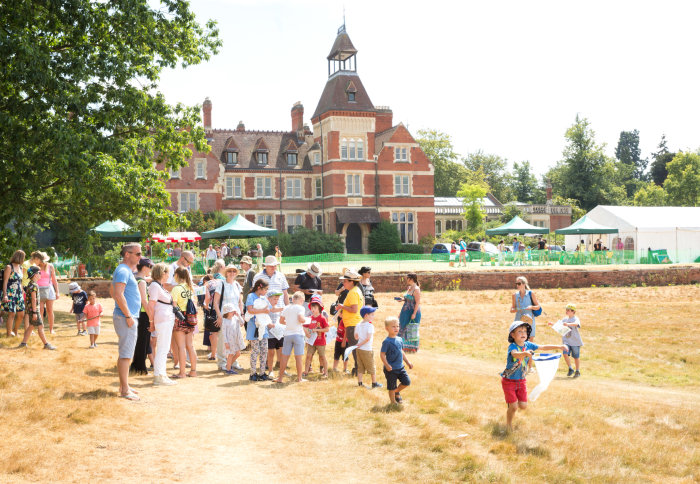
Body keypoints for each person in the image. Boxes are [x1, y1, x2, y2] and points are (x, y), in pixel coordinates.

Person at [501, 320, 566, 432]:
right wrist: (524, 354)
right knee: (514, 407)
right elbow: (515, 354)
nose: (523, 333)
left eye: (525, 331)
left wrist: (559, 346)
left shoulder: (528, 345)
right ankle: (508, 424)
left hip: (521, 381)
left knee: (523, 406)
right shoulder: (512, 346)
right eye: (519, 331)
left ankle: (512, 406)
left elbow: (542, 347)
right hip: (509, 381)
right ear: (513, 335)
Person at [111, 243, 142, 400]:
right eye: (137, 254)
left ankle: (125, 385)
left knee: (125, 353)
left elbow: (113, 292)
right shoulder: (123, 270)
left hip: (125, 316)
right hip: (126, 317)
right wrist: (128, 316)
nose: (140, 257)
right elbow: (118, 293)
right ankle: (124, 391)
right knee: (126, 355)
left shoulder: (123, 270)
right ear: (127, 254)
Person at [147, 263, 176, 386]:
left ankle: (162, 374)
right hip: (162, 320)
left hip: (166, 319)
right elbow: (151, 305)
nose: (168, 275)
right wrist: (151, 322)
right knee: (163, 348)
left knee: (164, 348)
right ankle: (159, 376)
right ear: (162, 273)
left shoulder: (159, 286)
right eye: (167, 272)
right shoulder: (154, 286)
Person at [214, 264, 245, 370]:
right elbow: (216, 302)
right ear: (226, 272)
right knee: (223, 340)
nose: (232, 273)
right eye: (230, 271)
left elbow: (240, 302)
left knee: (235, 339)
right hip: (225, 317)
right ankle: (222, 363)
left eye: (234, 271)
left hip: (235, 317)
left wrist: (242, 314)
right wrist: (219, 316)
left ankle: (233, 362)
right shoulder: (221, 284)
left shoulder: (237, 285)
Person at [18, 265, 56, 350]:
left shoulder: (31, 284)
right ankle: (46, 344)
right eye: (39, 273)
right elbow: (34, 299)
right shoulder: (34, 286)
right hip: (34, 310)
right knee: (40, 326)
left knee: (31, 326)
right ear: (35, 275)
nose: (40, 274)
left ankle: (23, 343)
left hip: (31, 310)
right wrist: (35, 312)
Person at [335, 268, 364, 374]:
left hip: (352, 325)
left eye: (345, 281)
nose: (343, 283)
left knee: (355, 349)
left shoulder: (352, 293)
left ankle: (358, 369)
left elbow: (354, 309)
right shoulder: (357, 291)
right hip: (355, 323)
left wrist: (342, 306)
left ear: (352, 282)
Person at [171, 267, 198, 378]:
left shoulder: (176, 289)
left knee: (181, 346)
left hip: (180, 317)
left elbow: (174, 305)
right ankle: (193, 371)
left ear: (177, 275)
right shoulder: (190, 287)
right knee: (190, 346)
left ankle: (182, 373)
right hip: (190, 318)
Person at [275, 291, 307, 383]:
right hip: (298, 334)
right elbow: (301, 319)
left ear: (293, 299)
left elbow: (281, 321)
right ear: (301, 300)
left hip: (287, 334)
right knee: (298, 358)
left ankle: (280, 378)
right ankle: (299, 378)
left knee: (284, 357)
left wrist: (289, 323)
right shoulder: (300, 308)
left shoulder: (286, 308)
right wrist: (305, 320)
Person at [380, 316, 412, 404]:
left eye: (397, 326)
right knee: (391, 387)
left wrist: (408, 362)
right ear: (387, 328)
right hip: (390, 369)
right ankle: (393, 402)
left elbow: (401, 351)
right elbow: (382, 354)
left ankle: (396, 392)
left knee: (407, 382)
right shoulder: (387, 342)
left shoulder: (400, 339)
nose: (396, 328)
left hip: (400, 367)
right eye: (393, 326)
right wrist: (386, 365)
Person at [245, 279, 273, 381]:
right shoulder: (251, 296)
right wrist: (262, 311)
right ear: (259, 288)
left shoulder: (263, 298)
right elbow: (250, 310)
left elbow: (268, 308)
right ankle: (253, 373)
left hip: (263, 327)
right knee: (255, 350)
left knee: (264, 350)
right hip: (254, 327)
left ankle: (262, 373)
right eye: (265, 289)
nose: (266, 291)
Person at [549, 303, 584, 378]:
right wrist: (552, 324)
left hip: (575, 341)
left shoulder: (575, 319)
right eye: (566, 310)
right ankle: (570, 368)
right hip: (566, 341)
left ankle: (577, 371)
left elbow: (576, 324)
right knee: (565, 353)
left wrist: (568, 324)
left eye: (568, 310)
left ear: (573, 311)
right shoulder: (565, 319)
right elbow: (560, 326)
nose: (566, 311)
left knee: (576, 357)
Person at [131, 258, 153, 373]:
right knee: (143, 341)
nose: (151, 270)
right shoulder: (142, 282)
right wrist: (151, 317)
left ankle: (137, 365)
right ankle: (140, 367)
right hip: (143, 313)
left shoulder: (135, 278)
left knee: (138, 340)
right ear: (145, 267)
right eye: (150, 267)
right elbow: (144, 301)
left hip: (135, 312)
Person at [203, 259, 226, 361]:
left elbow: (207, 298)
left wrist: (206, 305)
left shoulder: (209, 283)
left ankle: (213, 354)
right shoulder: (225, 282)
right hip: (225, 309)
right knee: (225, 333)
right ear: (222, 268)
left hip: (213, 310)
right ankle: (224, 354)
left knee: (213, 333)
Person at [354, 306, 382, 389]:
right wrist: (361, 344)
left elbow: (356, 337)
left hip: (359, 350)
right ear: (366, 315)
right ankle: (374, 383)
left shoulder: (358, 325)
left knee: (360, 367)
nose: (374, 316)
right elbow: (368, 338)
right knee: (371, 367)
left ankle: (360, 383)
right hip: (366, 349)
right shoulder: (370, 326)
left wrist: (358, 344)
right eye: (372, 315)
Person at [303, 294, 329, 378]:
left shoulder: (322, 318)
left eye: (315, 308)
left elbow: (327, 329)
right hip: (311, 341)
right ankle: (306, 371)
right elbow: (304, 327)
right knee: (308, 356)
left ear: (319, 308)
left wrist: (317, 330)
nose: (313, 310)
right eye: (312, 308)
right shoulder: (309, 318)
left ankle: (325, 372)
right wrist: (307, 333)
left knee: (322, 356)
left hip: (320, 341)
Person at [34, 251, 59, 334]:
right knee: (40, 310)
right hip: (39, 289)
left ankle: (51, 329)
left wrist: (57, 292)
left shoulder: (50, 266)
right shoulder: (35, 267)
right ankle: (41, 328)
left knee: (50, 310)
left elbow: (54, 280)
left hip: (49, 289)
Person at [2, 250, 26, 337]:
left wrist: (22, 290)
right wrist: (5, 295)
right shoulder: (9, 267)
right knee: (12, 314)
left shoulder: (21, 268)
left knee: (21, 314)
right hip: (10, 293)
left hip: (19, 293)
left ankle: (15, 330)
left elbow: (20, 281)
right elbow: (5, 281)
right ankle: (9, 334)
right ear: (20, 257)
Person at [510, 275, 540, 343]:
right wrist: (517, 309)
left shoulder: (530, 293)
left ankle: (529, 353)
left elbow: (538, 306)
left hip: (529, 319)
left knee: (530, 339)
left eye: (519, 284)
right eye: (516, 284)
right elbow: (511, 310)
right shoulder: (514, 295)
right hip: (518, 319)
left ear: (524, 284)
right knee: (518, 339)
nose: (517, 285)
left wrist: (531, 307)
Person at [397, 273, 421, 353]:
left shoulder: (416, 289)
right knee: (402, 326)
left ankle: (411, 348)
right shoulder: (410, 288)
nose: (406, 280)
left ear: (411, 279)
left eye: (407, 278)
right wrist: (402, 299)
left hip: (412, 311)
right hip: (405, 311)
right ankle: (402, 347)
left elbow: (417, 302)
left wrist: (414, 314)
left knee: (410, 328)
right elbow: (407, 299)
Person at [265, 291, 285, 377]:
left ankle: (281, 369)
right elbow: (265, 317)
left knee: (281, 351)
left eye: (277, 299)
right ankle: (270, 370)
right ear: (268, 299)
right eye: (274, 299)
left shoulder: (278, 308)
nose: (276, 301)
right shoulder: (267, 308)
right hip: (270, 334)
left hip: (279, 333)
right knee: (271, 352)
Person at [221, 303, 244, 374]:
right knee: (231, 354)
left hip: (236, 339)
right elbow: (224, 333)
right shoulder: (224, 321)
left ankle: (228, 365)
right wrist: (226, 342)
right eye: (232, 311)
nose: (233, 312)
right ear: (227, 312)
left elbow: (242, 323)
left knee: (238, 353)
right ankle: (228, 369)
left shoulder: (235, 318)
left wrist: (239, 315)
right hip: (229, 341)